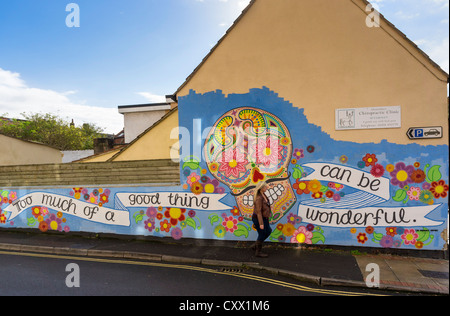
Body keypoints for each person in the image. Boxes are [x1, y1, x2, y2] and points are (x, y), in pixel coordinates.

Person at [251, 181, 272, 257]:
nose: (267, 187)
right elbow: (258, 212)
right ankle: (258, 252)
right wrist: (261, 223)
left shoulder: (263, 195)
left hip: (264, 218)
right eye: (265, 186)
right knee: (262, 234)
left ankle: (255, 245)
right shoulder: (258, 198)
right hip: (259, 219)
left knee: (268, 231)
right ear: (261, 188)